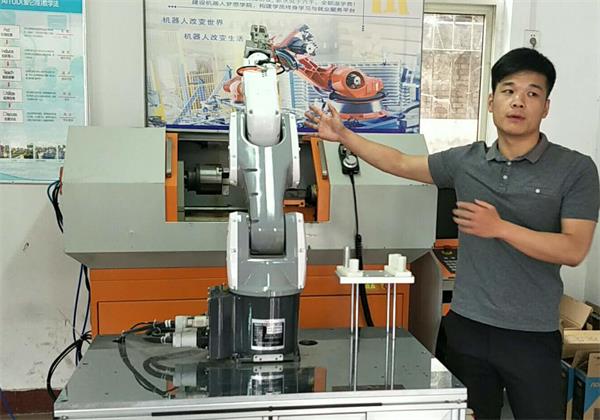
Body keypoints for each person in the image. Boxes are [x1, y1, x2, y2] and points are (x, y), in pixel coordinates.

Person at [304, 47, 599, 420]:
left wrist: (500, 228)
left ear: (546, 107)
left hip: (532, 334)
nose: (518, 101)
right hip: (466, 329)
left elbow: (573, 249)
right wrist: (345, 136)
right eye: (508, 90)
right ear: (491, 101)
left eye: (532, 93)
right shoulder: (466, 161)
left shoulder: (575, 169)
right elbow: (400, 162)